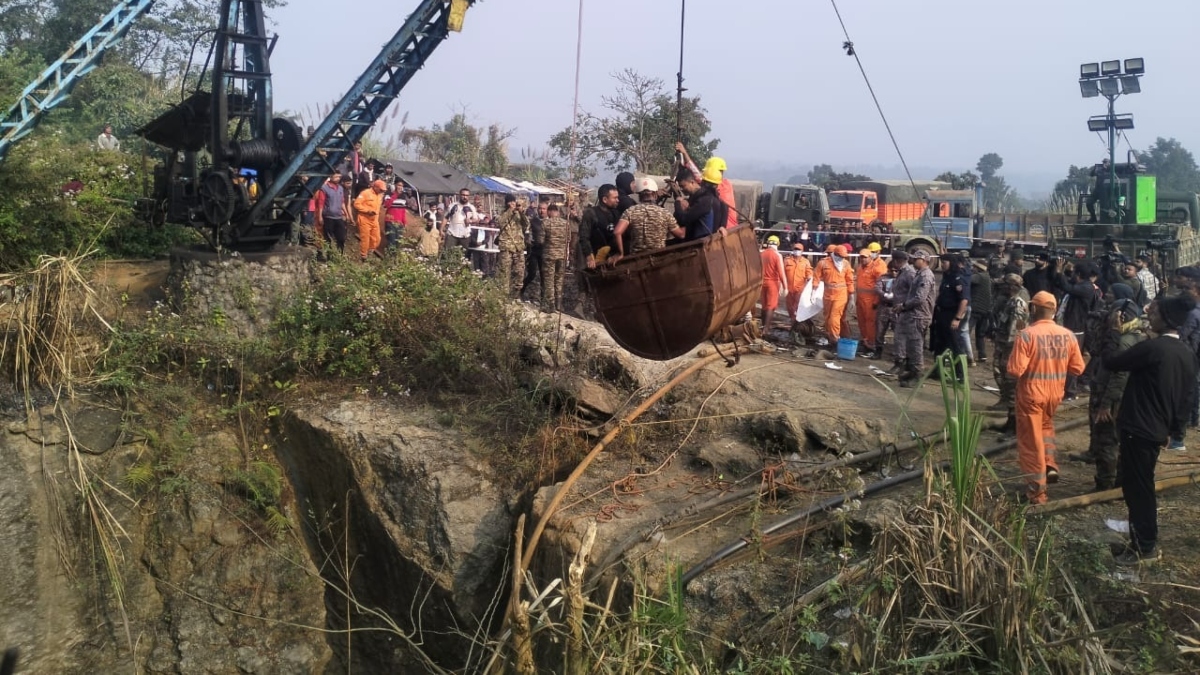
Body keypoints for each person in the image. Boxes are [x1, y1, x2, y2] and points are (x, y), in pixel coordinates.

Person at [1104, 295, 1199, 564]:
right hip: (1156, 428)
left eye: (1154, 311)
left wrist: (1113, 331)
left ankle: (1144, 547)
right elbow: (1187, 397)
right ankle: (1141, 538)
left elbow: (1112, 361)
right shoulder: (1186, 353)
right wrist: (1175, 429)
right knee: (1140, 485)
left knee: (1138, 489)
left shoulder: (1154, 349)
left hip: (1139, 427)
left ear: (1166, 319)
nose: (1149, 314)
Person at [1006, 291, 1086, 504]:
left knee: (1031, 443)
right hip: (1054, 395)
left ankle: (1037, 493)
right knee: (1045, 431)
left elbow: (1015, 370)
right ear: (1053, 309)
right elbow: (1078, 368)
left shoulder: (1027, 334)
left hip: (1031, 395)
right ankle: (1049, 465)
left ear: (1033, 308)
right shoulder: (1068, 335)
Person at [1077, 284, 1145, 491]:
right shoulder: (1129, 336)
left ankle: (1105, 483)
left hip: (1111, 399)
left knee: (1107, 441)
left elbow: (1119, 376)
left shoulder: (1124, 342)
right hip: (1112, 396)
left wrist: (1106, 404)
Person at [990, 273, 1030, 432]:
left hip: (1010, 348)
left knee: (1011, 381)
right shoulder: (1010, 301)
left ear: (1012, 286)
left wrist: (1010, 351)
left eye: (1005, 284)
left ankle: (1013, 424)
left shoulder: (1018, 303)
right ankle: (1007, 409)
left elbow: (1015, 331)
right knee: (1001, 374)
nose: (1002, 287)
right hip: (1002, 345)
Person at [895, 250, 936, 387]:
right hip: (914, 314)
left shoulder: (926, 276)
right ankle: (912, 371)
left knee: (916, 346)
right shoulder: (919, 274)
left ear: (924, 260)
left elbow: (920, 298)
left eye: (916, 259)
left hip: (919, 315)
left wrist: (903, 306)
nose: (913, 261)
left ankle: (917, 376)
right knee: (911, 346)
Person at [676, 142, 738, 230]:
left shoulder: (711, 193)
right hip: (730, 226)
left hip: (721, 227)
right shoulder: (727, 184)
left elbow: (696, 174)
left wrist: (684, 152)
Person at [611, 177, 675, 261]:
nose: (634, 185)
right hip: (654, 253)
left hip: (636, 254)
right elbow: (680, 234)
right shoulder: (627, 203)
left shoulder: (627, 205)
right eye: (632, 183)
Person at [812, 245, 855, 344]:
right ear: (834, 254)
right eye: (840, 256)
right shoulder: (823, 263)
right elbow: (816, 277)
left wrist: (851, 296)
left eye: (844, 257)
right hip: (828, 294)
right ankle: (829, 336)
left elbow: (850, 280)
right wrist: (813, 292)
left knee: (834, 318)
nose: (842, 258)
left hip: (841, 295)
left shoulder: (846, 264)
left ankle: (835, 339)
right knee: (827, 317)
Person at [932, 254, 971, 363]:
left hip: (951, 314)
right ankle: (938, 370)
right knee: (939, 343)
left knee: (955, 345)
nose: (942, 265)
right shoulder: (947, 276)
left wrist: (957, 318)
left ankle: (959, 374)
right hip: (941, 313)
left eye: (944, 262)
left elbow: (964, 300)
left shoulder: (958, 278)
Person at [671, 171, 724, 242]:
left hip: (700, 241)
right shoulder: (709, 197)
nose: (681, 189)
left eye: (683, 186)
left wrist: (677, 203)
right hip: (703, 237)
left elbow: (683, 219)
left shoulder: (704, 201)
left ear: (692, 182)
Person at [855, 242, 888, 353]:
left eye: (873, 252)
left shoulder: (879, 266)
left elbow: (881, 285)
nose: (862, 259)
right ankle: (865, 340)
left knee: (870, 323)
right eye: (861, 257)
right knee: (861, 321)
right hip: (860, 300)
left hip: (870, 301)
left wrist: (876, 301)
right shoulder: (860, 267)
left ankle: (871, 343)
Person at [579, 184, 621, 269]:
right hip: (595, 260)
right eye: (614, 198)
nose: (618, 200)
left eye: (617, 197)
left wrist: (617, 253)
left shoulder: (616, 214)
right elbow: (584, 237)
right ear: (605, 199)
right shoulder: (590, 214)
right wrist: (589, 257)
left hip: (611, 259)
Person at [886, 252, 915, 373]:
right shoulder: (902, 272)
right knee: (899, 337)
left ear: (897, 261)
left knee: (901, 337)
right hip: (899, 309)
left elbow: (914, 292)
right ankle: (900, 362)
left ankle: (902, 363)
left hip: (906, 310)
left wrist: (904, 306)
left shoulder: (909, 273)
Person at [496, 195, 529, 297]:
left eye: (513, 202)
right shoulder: (502, 213)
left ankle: (515, 295)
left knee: (520, 272)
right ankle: (504, 296)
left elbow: (526, 224)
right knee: (505, 273)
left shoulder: (518, 215)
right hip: (506, 247)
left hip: (518, 247)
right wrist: (509, 211)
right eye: (510, 202)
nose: (513, 204)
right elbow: (500, 223)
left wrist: (521, 212)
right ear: (506, 203)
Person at [541, 203, 570, 312]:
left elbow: (541, 240)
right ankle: (559, 303)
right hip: (561, 255)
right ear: (557, 212)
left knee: (549, 279)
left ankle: (551, 304)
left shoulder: (545, 223)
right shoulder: (565, 223)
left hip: (549, 255)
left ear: (549, 212)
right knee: (559, 279)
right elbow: (569, 239)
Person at [314, 169, 348, 253]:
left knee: (341, 237)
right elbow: (321, 203)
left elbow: (342, 202)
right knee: (328, 238)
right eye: (336, 177)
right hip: (328, 217)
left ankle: (340, 255)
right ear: (331, 177)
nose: (338, 178)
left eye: (339, 177)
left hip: (338, 216)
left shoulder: (340, 188)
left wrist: (346, 213)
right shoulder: (324, 188)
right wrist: (320, 216)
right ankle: (329, 256)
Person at [521, 201, 548, 302]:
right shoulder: (533, 221)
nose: (542, 211)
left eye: (544, 209)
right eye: (540, 208)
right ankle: (521, 291)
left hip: (545, 252)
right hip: (534, 251)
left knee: (543, 275)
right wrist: (529, 241)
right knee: (531, 273)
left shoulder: (550, 222)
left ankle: (543, 299)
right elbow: (527, 233)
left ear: (547, 210)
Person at [353, 180, 386, 262]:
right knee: (365, 239)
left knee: (377, 239)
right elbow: (356, 204)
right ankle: (363, 256)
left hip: (374, 220)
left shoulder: (380, 195)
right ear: (375, 187)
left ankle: (370, 252)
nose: (382, 191)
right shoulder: (365, 193)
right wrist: (367, 211)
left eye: (383, 190)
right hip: (364, 219)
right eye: (381, 189)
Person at [760, 236, 788, 332]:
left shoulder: (762, 254)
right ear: (777, 244)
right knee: (770, 306)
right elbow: (781, 272)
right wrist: (785, 287)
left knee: (764, 305)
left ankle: (763, 326)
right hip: (773, 283)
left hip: (762, 283)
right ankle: (766, 329)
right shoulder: (777, 255)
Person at [970, 259, 994, 364]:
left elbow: (967, 279)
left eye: (974, 267)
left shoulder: (979, 276)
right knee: (980, 334)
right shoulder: (987, 277)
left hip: (976, 309)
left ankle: (966, 354)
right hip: (986, 310)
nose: (972, 268)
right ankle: (982, 355)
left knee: (966, 331)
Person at [874, 262, 898, 360]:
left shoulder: (903, 278)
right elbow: (877, 287)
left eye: (896, 270)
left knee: (898, 331)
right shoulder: (883, 278)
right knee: (879, 330)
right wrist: (884, 295)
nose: (894, 272)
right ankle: (878, 351)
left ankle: (897, 353)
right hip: (884, 307)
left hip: (896, 308)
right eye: (891, 270)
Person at [784, 243, 813, 325]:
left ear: (802, 251)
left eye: (799, 249)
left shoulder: (805, 262)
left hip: (800, 288)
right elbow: (782, 272)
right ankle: (792, 319)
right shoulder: (787, 260)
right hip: (788, 288)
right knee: (789, 306)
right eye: (795, 249)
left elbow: (809, 271)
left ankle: (798, 321)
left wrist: (810, 276)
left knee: (798, 305)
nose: (797, 251)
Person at [445, 189, 479, 256]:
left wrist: (470, 221)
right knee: (447, 254)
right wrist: (441, 230)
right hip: (452, 233)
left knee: (463, 256)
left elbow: (476, 219)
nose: (465, 197)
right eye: (463, 195)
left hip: (465, 235)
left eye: (467, 195)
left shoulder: (471, 207)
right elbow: (445, 218)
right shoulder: (452, 205)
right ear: (459, 195)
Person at [1086, 158, 1111, 223]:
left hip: (1106, 191)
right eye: (1103, 162)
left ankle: (1105, 220)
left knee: (1104, 206)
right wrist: (1095, 168)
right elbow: (1091, 174)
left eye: (1106, 162)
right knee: (1089, 203)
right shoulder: (1099, 170)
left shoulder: (1111, 171)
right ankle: (1093, 218)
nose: (1104, 164)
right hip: (1097, 190)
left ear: (1109, 163)